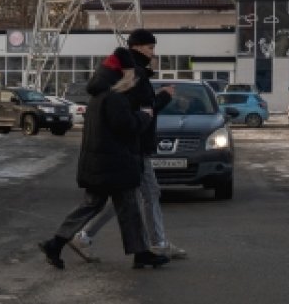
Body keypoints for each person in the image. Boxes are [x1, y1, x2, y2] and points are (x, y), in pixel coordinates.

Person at [37, 47, 169, 271]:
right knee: (122, 209)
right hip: (114, 164)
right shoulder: (114, 98)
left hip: (103, 163)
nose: (133, 81)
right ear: (121, 77)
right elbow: (125, 126)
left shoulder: (100, 96)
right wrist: (144, 116)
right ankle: (140, 254)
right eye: (130, 76)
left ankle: (57, 243)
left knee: (109, 206)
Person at [70, 28, 188, 262]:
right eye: (150, 48)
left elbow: (137, 107)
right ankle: (158, 244)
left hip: (130, 145)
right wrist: (163, 96)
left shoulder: (131, 72)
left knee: (127, 196)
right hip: (134, 145)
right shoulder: (133, 74)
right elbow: (143, 109)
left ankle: (84, 235)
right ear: (137, 47)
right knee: (146, 193)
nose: (153, 53)